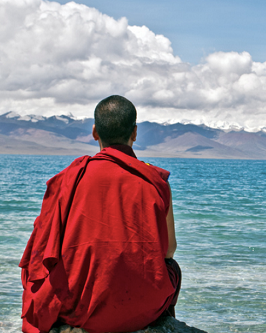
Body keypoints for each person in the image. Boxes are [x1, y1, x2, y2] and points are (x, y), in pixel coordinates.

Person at [19, 95, 181, 333]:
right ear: (135, 133)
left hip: (76, 308)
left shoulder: (69, 178)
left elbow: (40, 252)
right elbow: (168, 250)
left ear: (95, 132)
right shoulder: (155, 181)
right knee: (172, 269)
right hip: (139, 310)